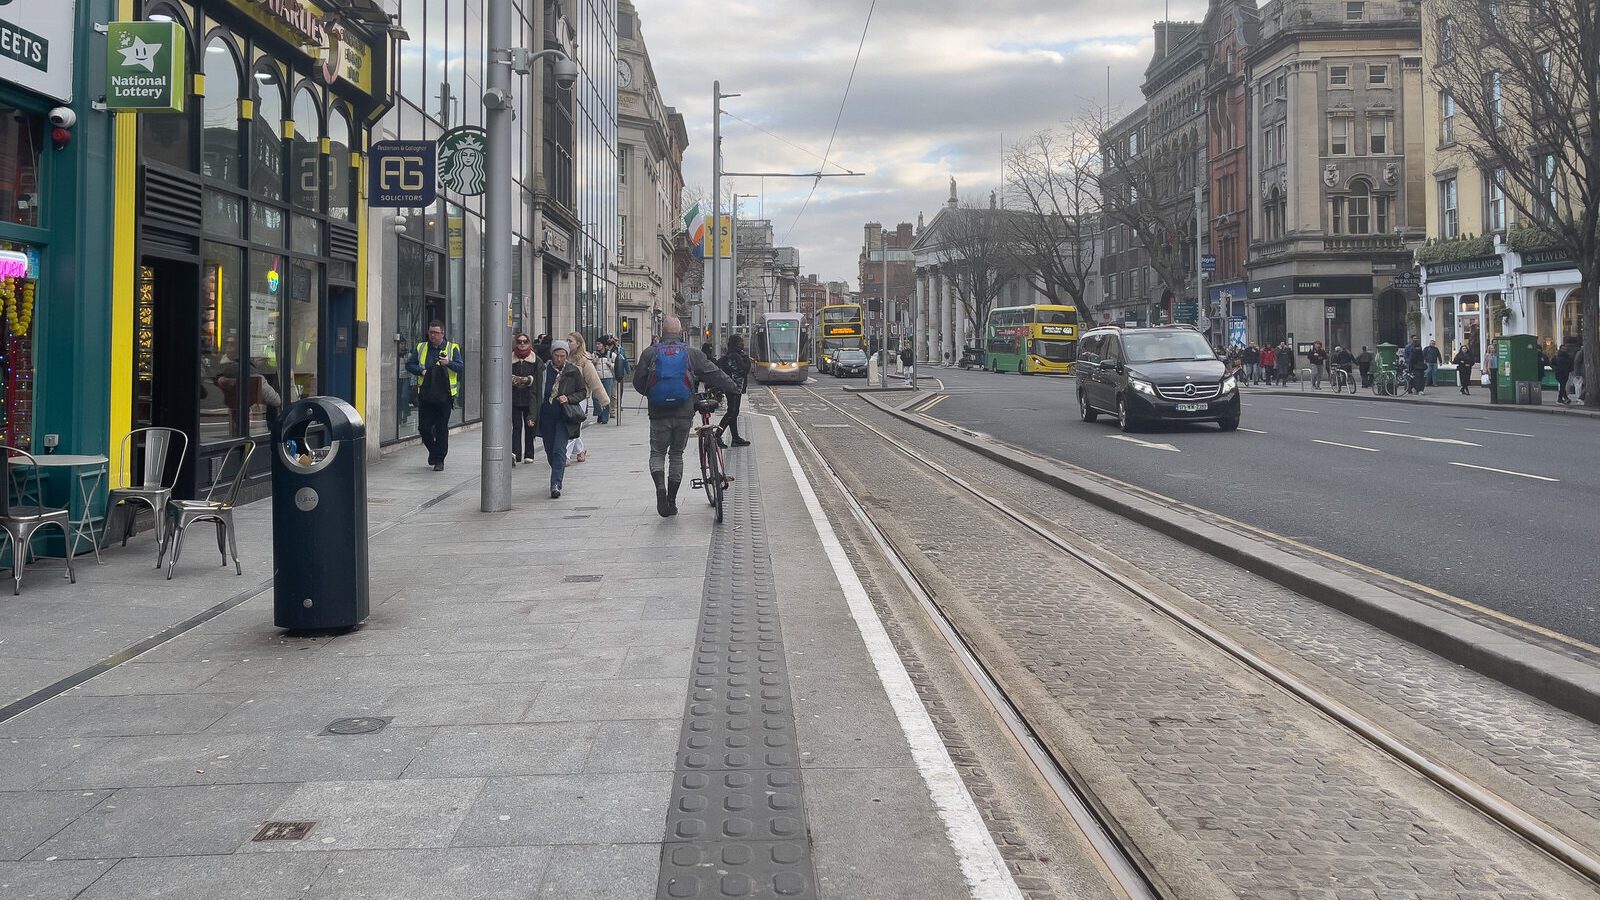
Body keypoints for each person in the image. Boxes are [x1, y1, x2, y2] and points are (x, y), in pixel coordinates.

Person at [633, 316, 737, 517]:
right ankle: (671, 501)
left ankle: (660, 490)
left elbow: (639, 383)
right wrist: (733, 387)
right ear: (680, 332)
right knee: (676, 455)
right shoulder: (691, 353)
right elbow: (714, 373)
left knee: (657, 454)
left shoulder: (649, 353)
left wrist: (654, 395)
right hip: (683, 412)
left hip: (658, 414)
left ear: (662, 333)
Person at [531, 340, 587, 498]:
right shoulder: (543, 370)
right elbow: (535, 393)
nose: (559, 359)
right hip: (546, 416)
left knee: (559, 450)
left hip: (564, 416)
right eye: (557, 355)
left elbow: (582, 391)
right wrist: (532, 415)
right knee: (550, 450)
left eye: (563, 356)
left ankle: (555, 483)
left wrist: (568, 398)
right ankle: (556, 469)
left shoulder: (573, 370)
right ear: (552, 354)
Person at [405, 320, 464, 471]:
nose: (432, 335)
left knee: (441, 428)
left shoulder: (452, 348)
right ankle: (433, 451)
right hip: (426, 394)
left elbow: (460, 367)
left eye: (436, 333)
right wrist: (421, 371)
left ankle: (439, 460)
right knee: (424, 428)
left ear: (442, 333)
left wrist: (448, 363)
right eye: (430, 332)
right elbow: (409, 364)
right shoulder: (421, 347)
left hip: (445, 396)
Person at [563, 332, 610, 464]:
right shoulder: (563, 357)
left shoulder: (584, 360)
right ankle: (580, 451)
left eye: (570, 341)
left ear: (578, 344)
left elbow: (594, 381)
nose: (567, 343)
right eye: (566, 340)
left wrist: (604, 400)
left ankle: (565, 455)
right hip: (565, 397)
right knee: (574, 425)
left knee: (573, 424)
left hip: (580, 397)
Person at [717, 334, 753, 448]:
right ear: (736, 344)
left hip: (731, 386)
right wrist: (747, 359)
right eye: (740, 342)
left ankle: (735, 437)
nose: (742, 344)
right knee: (732, 412)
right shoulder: (736, 356)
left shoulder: (730, 355)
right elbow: (744, 369)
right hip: (734, 387)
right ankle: (717, 435)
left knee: (733, 411)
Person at [511, 332, 539, 465]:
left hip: (530, 398)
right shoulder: (509, 358)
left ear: (529, 343)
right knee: (516, 427)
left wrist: (529, 380)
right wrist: (513, 379)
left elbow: (539, 378)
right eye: (519, 341)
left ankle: (529, 454)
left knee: (530, 426)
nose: (522, 344)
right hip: (514, 398)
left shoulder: (535, 359)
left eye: (525, 341)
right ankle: (515, 454)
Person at [594, 335, 618, 425]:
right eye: (596, 344)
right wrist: (593, 362)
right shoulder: (594, 354)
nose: (597, 345)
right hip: (597, 378)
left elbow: (618, 365)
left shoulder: (611, 354)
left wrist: (610, 365)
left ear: (603, 345)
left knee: (606, 398)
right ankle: (599, 413)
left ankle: (604, 417)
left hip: (608, 378)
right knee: (595, 397)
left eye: (599, 344)